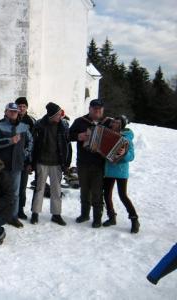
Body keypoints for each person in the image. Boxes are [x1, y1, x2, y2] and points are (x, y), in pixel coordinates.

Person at [69, 99, 111, 228]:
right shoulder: (80, 121)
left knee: (97, 192)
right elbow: (69, 135)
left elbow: (117, 137)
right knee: (84, 190)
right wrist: (78, 136)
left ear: (102, 110)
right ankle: (84, 214)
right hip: (83, 162)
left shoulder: (108, 123)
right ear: (90, 109)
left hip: (100, 164)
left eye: (99, 109)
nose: (97, 111)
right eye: (95, 109)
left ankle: (97, 218)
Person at [0, 103, 33, 228]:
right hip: (2, 165)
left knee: (15, 193)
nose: (13, 113)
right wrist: (10, 141)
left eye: (15, 111)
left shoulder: (24, 126)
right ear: (6, 112)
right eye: (11, 111)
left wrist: (24, 154)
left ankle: (13, 217)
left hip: (17, 165)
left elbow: (30, 142)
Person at [30, 102, 70, 226]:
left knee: (56, 190)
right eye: (58, 114)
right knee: (39, 188)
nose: (60, 116)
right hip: (41, 162)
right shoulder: (39, 125)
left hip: (57, 163)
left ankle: (56, 214)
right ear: (52, 115)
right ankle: (35, 213)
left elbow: (68, 146)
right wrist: (32, 162)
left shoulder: (63, 126)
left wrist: (67, 163)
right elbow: (33, 145)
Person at [102, 115, 140, 233]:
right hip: (108, 170)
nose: (115, 125)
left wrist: (124, 154)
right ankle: (111, 217)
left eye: (118, 123)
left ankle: (134, 219)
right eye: (114, 122)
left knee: (123, 195)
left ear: (122, 125)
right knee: (106, 194)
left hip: (121, 171)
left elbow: (132, 156)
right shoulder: (108, 134)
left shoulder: (127, 138)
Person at [15, 97, 36, 219]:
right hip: (12, 159)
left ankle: (20, 209)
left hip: (24, 159)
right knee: (12, 187)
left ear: (26, 108)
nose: (21, 108)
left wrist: (30, 162)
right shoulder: (12, 119)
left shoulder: (31, 121)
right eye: (19, 106)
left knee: (22, 187)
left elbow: (33, 142)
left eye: (24, 106)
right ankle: (10, 208)